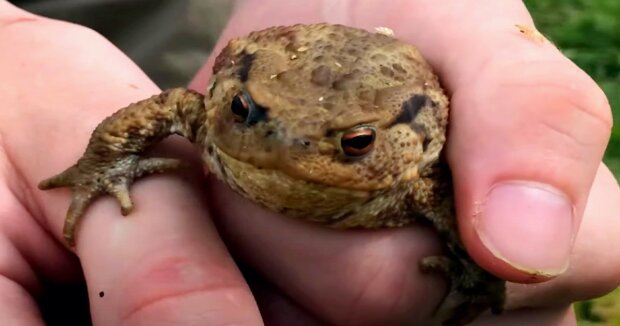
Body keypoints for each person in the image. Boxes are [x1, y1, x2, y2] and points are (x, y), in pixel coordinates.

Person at [1, 0, 618, 324]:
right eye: (245, 114)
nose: (285, 149)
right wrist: (103, 166)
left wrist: (476, 275)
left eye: (350, 145)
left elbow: (476, 244)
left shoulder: (421, 184)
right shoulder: (212, 116)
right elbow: (167, 106)